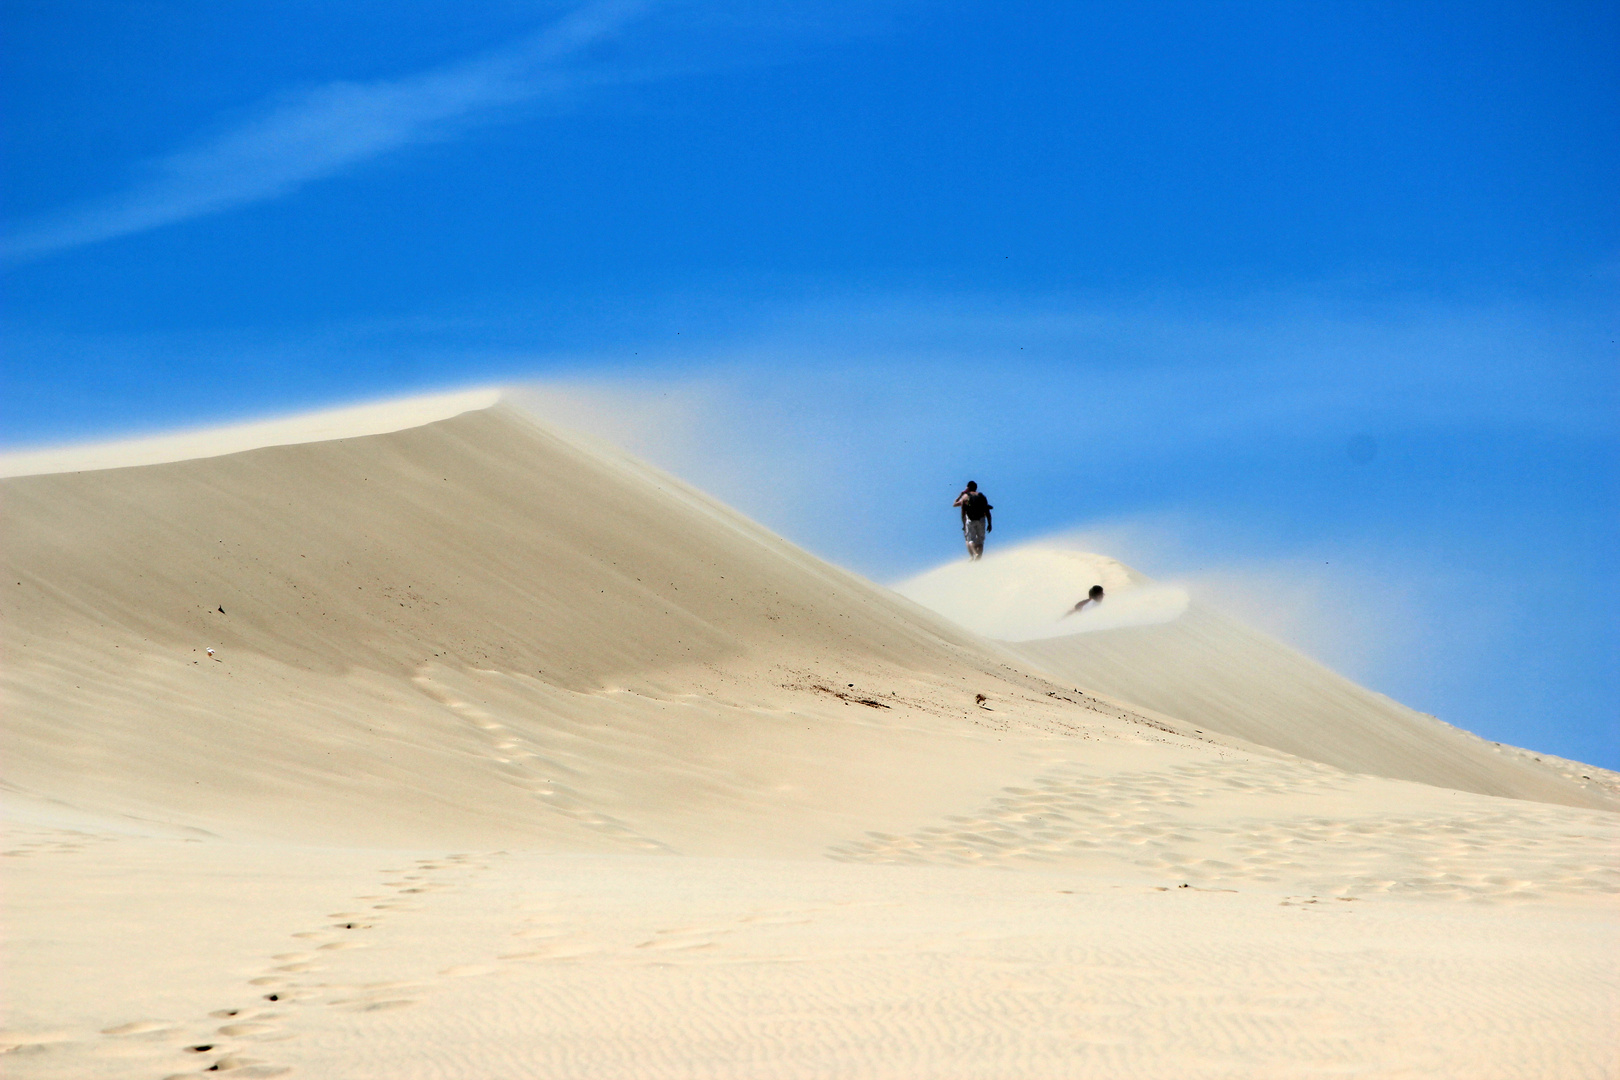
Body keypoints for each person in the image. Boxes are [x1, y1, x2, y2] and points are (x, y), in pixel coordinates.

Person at [952, 481, 993, 560]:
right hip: (981, 520)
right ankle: (979, 557)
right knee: (980, 541)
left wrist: (964, 524)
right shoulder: (982, 496)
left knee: (970, 540)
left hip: (971, 520)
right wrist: (990, 523)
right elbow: (987, 511)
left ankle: (975, 554)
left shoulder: (965, 497)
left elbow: (961, 512)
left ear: (968, 487)